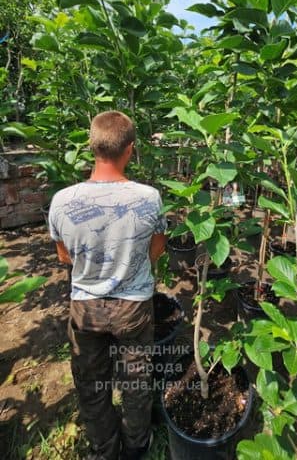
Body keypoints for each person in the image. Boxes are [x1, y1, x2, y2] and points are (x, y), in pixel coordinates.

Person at [48, 111, 166, 460]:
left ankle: (104, 446)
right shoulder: (149, 197)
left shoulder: (62, 201)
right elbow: (156, 250)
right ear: (130, 148)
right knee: (135, 382)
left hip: (85, 307)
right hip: (133, 306)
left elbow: (64, 257)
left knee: (90, 384)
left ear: (92, 146)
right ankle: (136, 446)